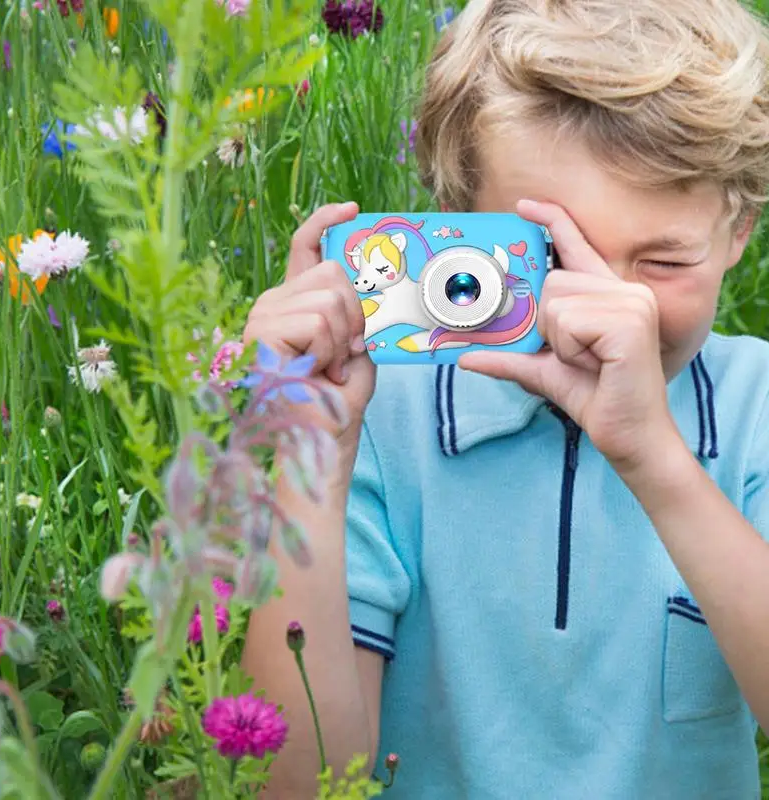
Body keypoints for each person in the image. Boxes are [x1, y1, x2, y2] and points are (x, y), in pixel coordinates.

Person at [241, 0, 769, 796]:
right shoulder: (383, 417)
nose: (609, 315)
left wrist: (656, 460)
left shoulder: (754, 404)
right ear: (458, 226)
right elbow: (295, 783)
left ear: (741, 228)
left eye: (662, 261)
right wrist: (311, 461)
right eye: (552, 255)